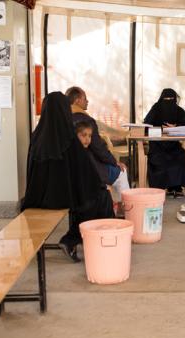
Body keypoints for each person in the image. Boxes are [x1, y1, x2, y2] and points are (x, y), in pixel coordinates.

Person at [22, 91, 114, 263]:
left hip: (37, 198)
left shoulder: (37, 137)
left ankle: (84, 239)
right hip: (63, 198)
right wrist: (100, 184)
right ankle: (77, 240)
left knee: (89, 196)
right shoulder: (68, 138)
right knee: (100, 197)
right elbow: (85, 171)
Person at [66, 86, 130, 212]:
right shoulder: (85, 120)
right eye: (85, 98)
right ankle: (127, 208)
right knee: (121, 171)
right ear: (77, 100)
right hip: (90, 167)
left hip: (69, 170)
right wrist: (114, 161)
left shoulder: (62, 119)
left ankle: (117, 206)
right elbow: (97, 147)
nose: (87, 101)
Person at [143, 88, 185, 197]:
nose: (169, 101)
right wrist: (160, 128)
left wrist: (176, 126)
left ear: (175, 99)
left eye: (171, 99)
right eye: (166, 99)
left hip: (173, 145)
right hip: (157, 145)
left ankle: (176, 187)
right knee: (160, 161)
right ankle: (162, 189)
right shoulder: (156, 109)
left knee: (178, 159)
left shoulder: (179, 110)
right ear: (162, 99)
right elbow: (145, 126)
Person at [75, 121, 130, 214]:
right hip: (98, 177)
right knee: (122, 171)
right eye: (83, 135)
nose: (87, 139)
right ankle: (125, 206)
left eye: (89, 136)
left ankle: (122, 205)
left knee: (121, 172)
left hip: (100, 172)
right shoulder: (80, 153)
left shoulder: (86, 150)